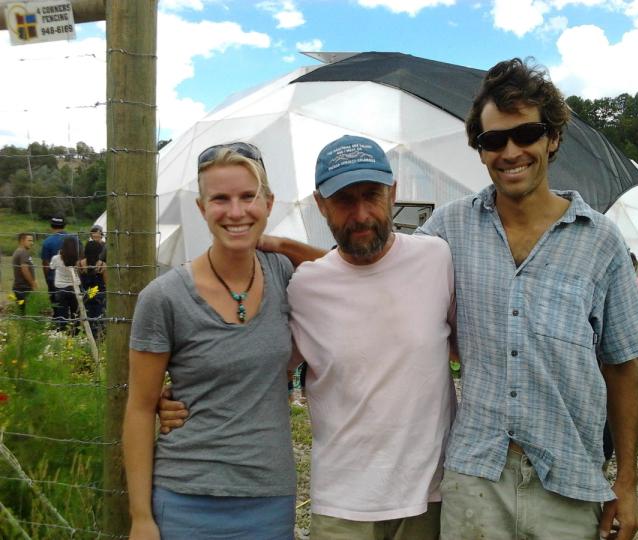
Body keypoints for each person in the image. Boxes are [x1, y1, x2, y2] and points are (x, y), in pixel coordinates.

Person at [160, 135, 458, 539]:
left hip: (432, 497)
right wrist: (176, 399)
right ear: (320, 204)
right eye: (343, 201)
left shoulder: (436, 258)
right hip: (342, 503)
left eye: (371, 195)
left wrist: (284, 243)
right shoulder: (303, 287)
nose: (361, 214)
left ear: (393, 193)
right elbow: (258, 363)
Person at [416, 58, 638, 540]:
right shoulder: (449, 227)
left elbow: (623, 366)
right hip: (476, 476)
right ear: (480, 151)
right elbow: (380, 272)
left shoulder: (600, 240)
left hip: (569, 479)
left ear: (553, 138)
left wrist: (626, 486)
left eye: (526, 134)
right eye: (493, 140)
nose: (510, 151)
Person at [123, 142, 296, 540]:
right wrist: (141, 518)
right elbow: (139, 409)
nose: (236, 212)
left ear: (269, 203)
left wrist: (284, 244)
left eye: (248, 197)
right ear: (202, 209)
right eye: (220, 199)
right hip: (186, 497)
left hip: (269, 498)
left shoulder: (285, 274)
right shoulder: (165, 297)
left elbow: (359, 272)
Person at [49, 235, 82, 333]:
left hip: (60, 288)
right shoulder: (78, 260)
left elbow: (52, 267)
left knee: (62, 314)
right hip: (74, 287)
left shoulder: (57, 258)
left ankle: (62, 332)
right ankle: (75, 332)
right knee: (75, 313)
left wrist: (59, 254)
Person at [79, 240, 107, 339]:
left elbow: (79, 280)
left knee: (87, 317)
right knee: (99, 318)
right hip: (99, 296)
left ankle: (87, 337)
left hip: (86, 295)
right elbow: (106, 282)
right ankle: (98, 337)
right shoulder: (102, 265)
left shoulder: (81, 264)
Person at [12, 233, 37, 312]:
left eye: (32, 241)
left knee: (22, 312)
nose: (31, 243)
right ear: (22, 241)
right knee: (26, 313)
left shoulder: (19, 251)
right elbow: (25, 270)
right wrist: (32, 283)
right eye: (29, 240)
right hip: (23, 288)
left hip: (20, 288)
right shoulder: (23, 252)